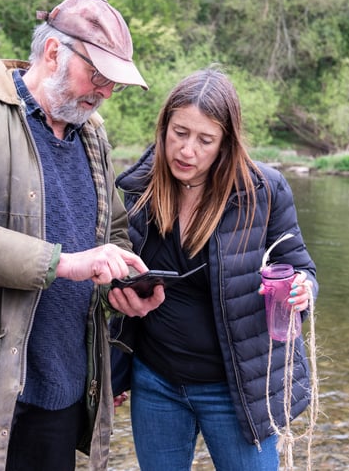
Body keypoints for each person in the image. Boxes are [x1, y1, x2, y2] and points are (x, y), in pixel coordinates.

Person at [0, 0, 164, 471]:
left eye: (113, 84)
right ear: (54, 52)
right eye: (98, 76)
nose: (104, 92)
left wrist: (122, 283)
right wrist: (62, 262)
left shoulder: (92, 136)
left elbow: (114, 231)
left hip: (62, 394)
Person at [111, 67, 318, 470]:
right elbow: (118, 279)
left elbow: (301, 269)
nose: (187, 151)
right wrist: (117, 360)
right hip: (156, 382)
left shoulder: (264, 192)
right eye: (179, 133)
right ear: (163, 127)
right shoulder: (141, 189)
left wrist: (303, 288)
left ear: (226, 143)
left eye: (205, 140)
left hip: (237, 390)